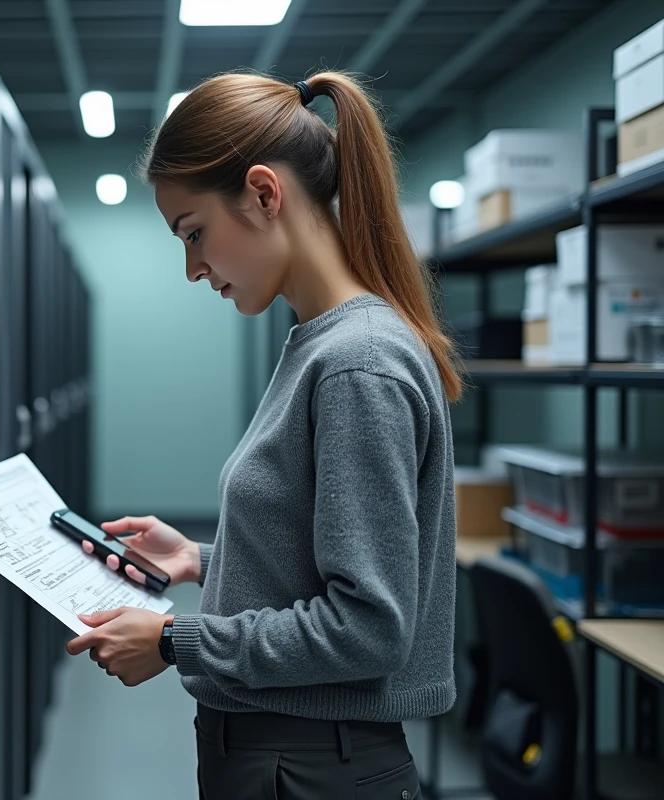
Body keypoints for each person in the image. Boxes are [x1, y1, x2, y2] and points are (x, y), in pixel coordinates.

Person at [64, 70, 461, 799]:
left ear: (264, 193)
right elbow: (321, 559)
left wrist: (174, 641)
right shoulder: (320, 344)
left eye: (194, 234)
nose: (192, 269)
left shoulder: (355, 362)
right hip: (284, 759)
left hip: (311, 770)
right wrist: (201, 559)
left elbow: (369, 627)